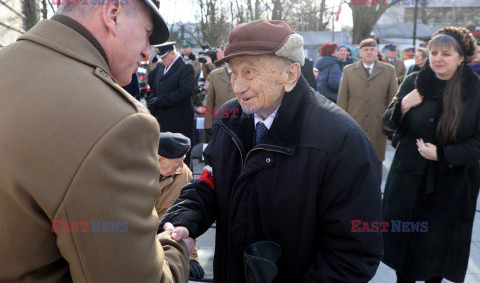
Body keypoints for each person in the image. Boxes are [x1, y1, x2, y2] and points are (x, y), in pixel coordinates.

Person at [0, 0, 191, 282]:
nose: (148, 51)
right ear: (113, 14)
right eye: (147, 33)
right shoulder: (118, 123)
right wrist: (175, 251)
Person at [160, 20, 383, 282]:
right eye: (233, 72)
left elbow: (353, 253)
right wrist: (185, 221)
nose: (238, 86)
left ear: (290, 75)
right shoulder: (228, 120)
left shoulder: (341, 140)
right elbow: (209, 183)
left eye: (250, 72)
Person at [382, 27, 480, 283]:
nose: (437, 58)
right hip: (408, 182)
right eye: (434, 52)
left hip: (451, 186)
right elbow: (387, 121)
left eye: (446, 53)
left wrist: (443, 154)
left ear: (461, 57)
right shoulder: (415, 80)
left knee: (436, 258)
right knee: (404, 255)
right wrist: (403, 105)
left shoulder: (475, 90)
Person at [337, 38, 398, 179]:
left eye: (372, 49)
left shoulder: (389, 70)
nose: (369, 52)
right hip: (354, 125)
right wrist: (341, 126)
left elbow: (393, 100)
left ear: (377, 51)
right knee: (354, 164)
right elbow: (342, 100)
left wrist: (389, 126)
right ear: (360, 53)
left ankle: (375, 199)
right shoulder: (348, 70)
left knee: (376, 166)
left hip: (378, 127)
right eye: (365, 50)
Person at [155, 132, 205, 280]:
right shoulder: (133, 174)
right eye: (178, 161)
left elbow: (186, 214)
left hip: (167, 242)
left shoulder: (183, 174)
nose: (182, 166)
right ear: (159, 160)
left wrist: (190, 257)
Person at [147, 41, 195, 164]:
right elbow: (155, 88)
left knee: (179, 158)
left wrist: (159, 101)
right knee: (163, 157)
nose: (161, 60)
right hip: (163, 120)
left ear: (173, 53)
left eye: (163, 57)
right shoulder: (161, 67)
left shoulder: (186, 67)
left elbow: (183, 92)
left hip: (179, 121)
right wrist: (152, 100)